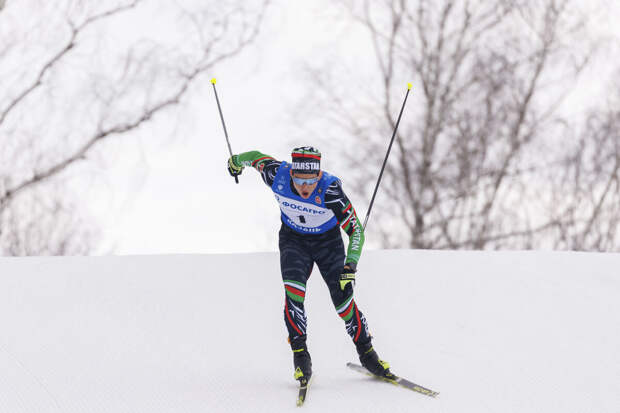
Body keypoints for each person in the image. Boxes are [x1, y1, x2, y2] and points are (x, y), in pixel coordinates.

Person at [227, 146, 391, 383]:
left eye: (311, 181)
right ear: (291, 173)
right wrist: (236, 162)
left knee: (343, 302)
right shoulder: (277, 175)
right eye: (299, 180)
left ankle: (367, 353)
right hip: (294, 241)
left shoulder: (330, 190)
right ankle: (301, 357)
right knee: (293, 294)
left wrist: (350, 266)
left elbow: (356, 231)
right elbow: (254, 159)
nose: (305, 187)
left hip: (328, 243)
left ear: (318, 175)